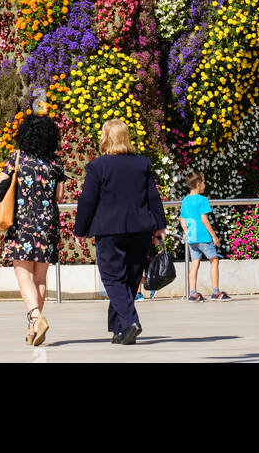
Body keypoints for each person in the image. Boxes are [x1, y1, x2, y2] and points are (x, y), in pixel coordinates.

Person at [73, 118, 167, 346]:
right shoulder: (142, 164)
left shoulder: (98, 166)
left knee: (113, 279)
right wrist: (159, 226)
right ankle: (120, 330)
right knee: (130, 278)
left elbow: (87, 201)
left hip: (109, 231)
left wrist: (80, 230)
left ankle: (130, 322)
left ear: (106, 138)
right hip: (140, 229)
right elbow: (152, 197)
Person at [0, 112, 65, 347]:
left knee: (24, 275)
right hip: (47, 226)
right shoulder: (56, 163)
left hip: (22, 225)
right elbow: (59, 196)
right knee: (40, 277)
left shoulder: (18, 158)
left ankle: (35, 317)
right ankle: (33, 327)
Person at [180, 171, 230, 301]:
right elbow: (204, 219)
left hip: (192, 238)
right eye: (204, 182)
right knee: (214, 260)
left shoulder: (185, 200)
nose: (205, 185)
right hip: (204, 237)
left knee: (195, 263)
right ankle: (215, 292)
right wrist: (214, 235)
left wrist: (187, 232)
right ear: (198, 184)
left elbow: (182, 220)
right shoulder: (202, 200)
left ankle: (192, 294)